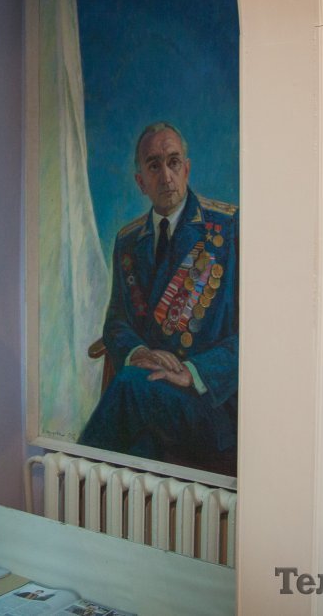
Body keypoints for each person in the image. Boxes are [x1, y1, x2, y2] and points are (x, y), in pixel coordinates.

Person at [79, 122, 238, 473]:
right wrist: (138, 352)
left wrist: (192, 372)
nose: (166, 176)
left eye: (173, 162)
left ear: (187, 169)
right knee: (136, 454)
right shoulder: (128, 240)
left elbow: (257, 335)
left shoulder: (228, 229)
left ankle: (74, 478)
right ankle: (83, 495)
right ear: (141, 182)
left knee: (129, 387)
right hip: (152, 400)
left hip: (209, 403)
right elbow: (116, 323)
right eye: (154, 165)